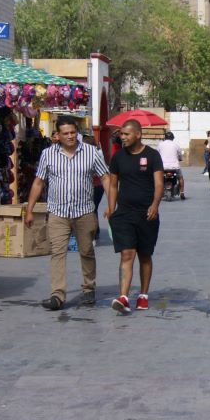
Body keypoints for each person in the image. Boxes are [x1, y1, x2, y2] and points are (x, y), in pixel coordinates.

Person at [24, 117, 113, 311]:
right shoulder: (48, 154)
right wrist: (29, 210)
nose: (70, 136)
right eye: (66, 133)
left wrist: (112, 204)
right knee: (57, 252)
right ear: (57, 135)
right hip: (58, 212)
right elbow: (39, 182)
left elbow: (105, 177)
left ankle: (89, 289)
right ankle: (57, 295)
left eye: (73, 132)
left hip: (85, 212)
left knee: (87, 251)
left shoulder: (91, 152)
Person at [106, 119, 164, 315]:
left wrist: (155, 204)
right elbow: (113, 185)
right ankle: (123, 296)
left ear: (138, 134)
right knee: (126, 253)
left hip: (147, 214)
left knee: (145, 255)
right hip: (124, 213)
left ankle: (143, 295)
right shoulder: (118, 157)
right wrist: (111, 207)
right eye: (121, 134)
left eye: (127, 134)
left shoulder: (152, 155)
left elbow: (158, 184)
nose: (123, 137)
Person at [157, 131, 184, 199]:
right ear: (172, 138)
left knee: (157, 178)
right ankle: (182, 193)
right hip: (174, 167)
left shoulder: (160, 144)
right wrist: (180, 159)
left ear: (165, 138)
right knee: (180, 178)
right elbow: (180, 155)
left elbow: (157, 154)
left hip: (163, 167)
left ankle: (157, 192)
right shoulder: (176, 145)